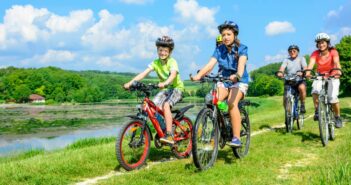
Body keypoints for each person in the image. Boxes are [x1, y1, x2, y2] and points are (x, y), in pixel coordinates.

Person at [191, 20, 249, 147]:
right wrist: (199, 75)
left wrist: (237, 75)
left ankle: (236, 137)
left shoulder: (242, 48)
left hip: (239, 82)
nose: (225, 37)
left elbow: (241, 64)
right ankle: (217, 129)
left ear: (234, 35)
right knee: (212, 100)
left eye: (228, 34)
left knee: (231, 103)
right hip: (223, 81)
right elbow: (210, 64)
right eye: (223, 35)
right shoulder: (219, 49)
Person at [123, 35, 185, 144]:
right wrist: (130, 83)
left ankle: (169, 134)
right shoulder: (155, 63)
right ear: (157, 50)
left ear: (170, 52)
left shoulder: (172, 62)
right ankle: (162, 129)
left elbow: (173, 74)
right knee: (153, 107)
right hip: (166, 90)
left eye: (165, 51)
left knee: (166, 105)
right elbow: (144, 73)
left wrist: (166, 82)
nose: (162, 53)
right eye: (160, 50)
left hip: (177, 89)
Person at [305, 32, 343, 128]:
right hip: (320, 76)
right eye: (319, 43)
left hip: (333, 75)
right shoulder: (315, 53)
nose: (321, 45)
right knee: (314, 91)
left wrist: (338, 71)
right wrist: (308, 72)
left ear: (327, 43)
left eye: (323, 42)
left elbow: (336, 62)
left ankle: (337, 117)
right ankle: (317, 110)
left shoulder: (333, 51)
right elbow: (311, 63)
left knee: (333, 98)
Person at [277, 45, 307, 113]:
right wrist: (280, 73)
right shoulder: (286, 60)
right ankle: (288, 116)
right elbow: (282, 68)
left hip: (299, 80)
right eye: (290, 51)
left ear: (297, 52)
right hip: (289, 81)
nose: (292, 52)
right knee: (285, 99)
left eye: (294, 51)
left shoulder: (301, 58)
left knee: (302, 88)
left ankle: (302, 104)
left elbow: (305, 68)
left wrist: (302, 72)